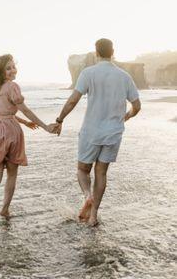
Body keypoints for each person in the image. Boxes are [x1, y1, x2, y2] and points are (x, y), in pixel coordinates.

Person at [0, 54, 56, 248]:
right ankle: (5, 210)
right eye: (8, 68)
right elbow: (23, 109)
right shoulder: (12, 87)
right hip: (10, 132)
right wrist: (45, 126)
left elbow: (3, 111)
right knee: (12, 175)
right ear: (2, 71)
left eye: (13, 67)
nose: (12, 71)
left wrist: (24, 122)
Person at [53, 39, 141, 226]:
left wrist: (59, 120)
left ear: (96, 53)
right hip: (113, 133)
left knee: (82, 170)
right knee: (101, 173)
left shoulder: (89, 73)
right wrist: (127, 116)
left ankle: (87, 196)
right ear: (113, 52)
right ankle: (93, 216)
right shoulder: (124, 76)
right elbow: (137, 105)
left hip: (91, 132)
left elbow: (72, 100)